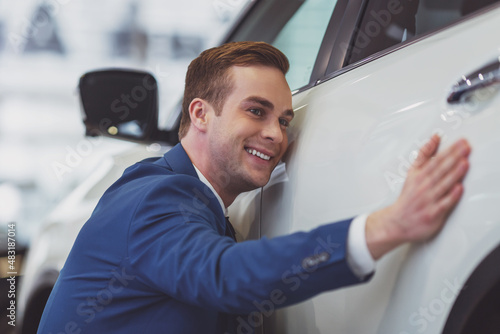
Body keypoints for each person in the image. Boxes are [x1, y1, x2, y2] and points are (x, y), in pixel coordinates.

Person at [37, 41, 471, 334]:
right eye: (256, 112)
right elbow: (223, 275)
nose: (276, 135)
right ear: (201, 114)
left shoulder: (201, 203)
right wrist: (387, 226)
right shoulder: (155, 196)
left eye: (284, 120)